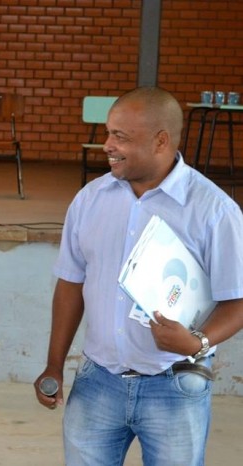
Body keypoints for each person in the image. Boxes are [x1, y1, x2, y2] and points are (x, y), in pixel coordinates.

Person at [33, 86, 243, 465]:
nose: (106, 145)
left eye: (120, 136)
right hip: (98, 380)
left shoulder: (214, 211)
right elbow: (70, 284)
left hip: (175, 382)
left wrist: (197, 341)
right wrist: (54, 363)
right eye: (108, 132)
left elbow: (238, 301)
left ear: (161, 141)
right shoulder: (90, 199)